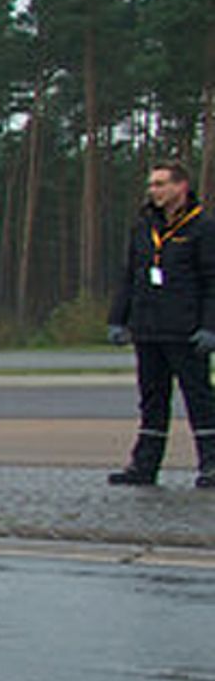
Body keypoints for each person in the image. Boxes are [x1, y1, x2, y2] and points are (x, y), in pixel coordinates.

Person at [105, 159, 215, 487]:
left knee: (199, 398)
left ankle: (211, 464)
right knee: (152, 400)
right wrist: (118, 319)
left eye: (160, 184)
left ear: (181, 186)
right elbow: (130, 277)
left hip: (186, 331)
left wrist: (210, 327)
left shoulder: (203, 228)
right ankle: (144, 466)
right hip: (148, 328)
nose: (154, 191)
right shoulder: (143, 227)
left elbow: (212, 282)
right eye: (151, 185)